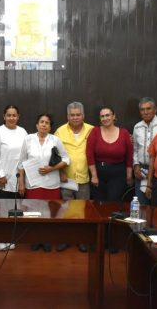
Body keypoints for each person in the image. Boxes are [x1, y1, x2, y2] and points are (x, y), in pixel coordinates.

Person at [18, 113, 69, 253]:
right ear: (37, 124)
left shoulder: (55, 140)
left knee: (49, 213)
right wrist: (21, 182)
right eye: (41, 122)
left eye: (47, 123)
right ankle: (35, 239)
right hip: (32, 183)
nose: (44, 124)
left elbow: (66, 159)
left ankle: (46, 240)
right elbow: (21, 162)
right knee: (33, 213)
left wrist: (52, 168)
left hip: (51, 183)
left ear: (50, 126)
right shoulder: (28, 139)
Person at [54, 101, 93, 253]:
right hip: (66, 178)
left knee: (82, 211)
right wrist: (60, 172)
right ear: (67, 116)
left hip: (84, 178)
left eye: (78, 115)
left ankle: (82, 240)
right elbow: (54, 154)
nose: (75, 117)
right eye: (72, 115)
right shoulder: (60, 131)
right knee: (65, 211)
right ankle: (65, 240)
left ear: (83, 115)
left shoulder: (92, 130)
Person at [0, 105, 27, 251]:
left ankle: (10, 237)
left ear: (18, 116)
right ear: (4, 116)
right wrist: (1, 175)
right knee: (0, 208)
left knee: (13, 209)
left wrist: (22, 179)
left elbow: (24, 156)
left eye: (14, 115)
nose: (12, 118)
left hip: (17, 177)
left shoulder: (23, 132)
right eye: (9, 115)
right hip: (2, 178)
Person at [86, 106, 133, 201]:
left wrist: (129, 175)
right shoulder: (95, 131)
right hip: (99, 174)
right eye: (102, 116)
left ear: (113, 116)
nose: (105, 118)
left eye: (107, 115)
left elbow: (129, 155)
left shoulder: (124, 133)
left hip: (118, 174)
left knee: (113, 203)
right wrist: (94, 175)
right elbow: (89, 154)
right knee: (99, 205)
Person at [132, 97, 157, 204]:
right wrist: (136, 165)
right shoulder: (137, 127)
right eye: (142, 109)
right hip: (141, 173)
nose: (145, 112)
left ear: (155, 109)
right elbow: (135, 149)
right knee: (141, 206)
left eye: (148, 109)